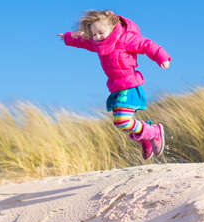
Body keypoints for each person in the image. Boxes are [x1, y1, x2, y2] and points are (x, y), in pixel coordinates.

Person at [57, 10, 171, 160]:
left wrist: (161, 57)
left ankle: (154, 132)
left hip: (129, 85)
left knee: (122, 121)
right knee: (120, 123)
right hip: (116, 87)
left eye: (100, 32)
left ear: (112, 26)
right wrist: (67, 37)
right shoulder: (98, 44)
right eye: (94, 34)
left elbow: (146, 45)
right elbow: (82, 41)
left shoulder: (125, 39)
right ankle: (144, 138)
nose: (97, 36)